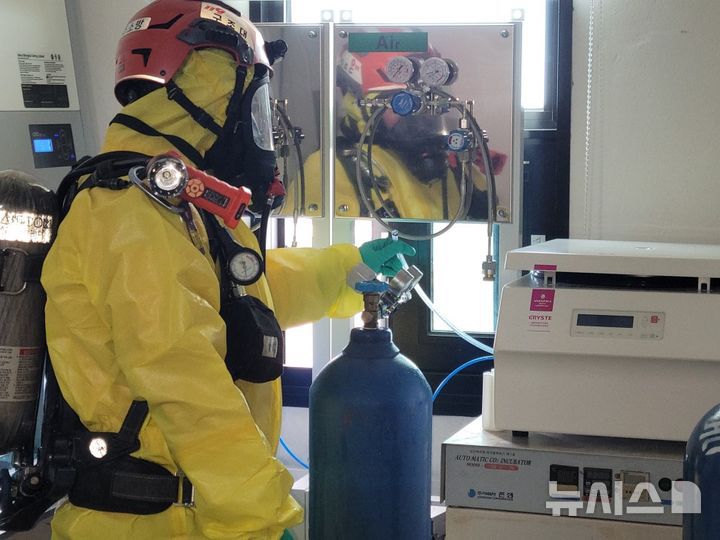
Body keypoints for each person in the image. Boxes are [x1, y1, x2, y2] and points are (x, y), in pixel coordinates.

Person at [40, 1, 414, 539]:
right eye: (253, 101)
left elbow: (236, 296)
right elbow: (184, 377)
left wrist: (343, 270)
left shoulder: (177, 202)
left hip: (189, 518)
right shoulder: (126, 211)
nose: (258, 127)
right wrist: (259, 514)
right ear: (209, 90)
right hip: (152, 522)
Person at [288, 47, 508, 222]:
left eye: (430, 101)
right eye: (403, 102)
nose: (422, 113)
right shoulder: (332, 171)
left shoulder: (458, 168)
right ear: (357, 103)